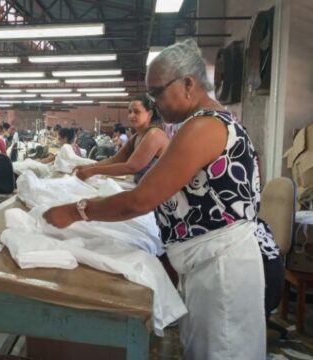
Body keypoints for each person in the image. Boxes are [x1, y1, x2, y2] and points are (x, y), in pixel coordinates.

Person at [43, 39, 274, 359]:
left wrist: (75, 210)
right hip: (213, 261)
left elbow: (139, 200)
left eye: (157, 92)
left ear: (188, 84)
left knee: (223, 350)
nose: (154, 102)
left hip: (222, 267)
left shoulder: (204, 127)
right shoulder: (208, 123)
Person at [74, 95, 169, 184]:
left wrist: (92, 171)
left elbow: (131, 167)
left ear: (149, 114)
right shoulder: (136, 137)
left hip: (164, 196)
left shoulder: (154, 134)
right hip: (143, 187)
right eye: (130, 112)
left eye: (136, 112)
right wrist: (88, 167)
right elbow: (115, 160)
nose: (131, 116)